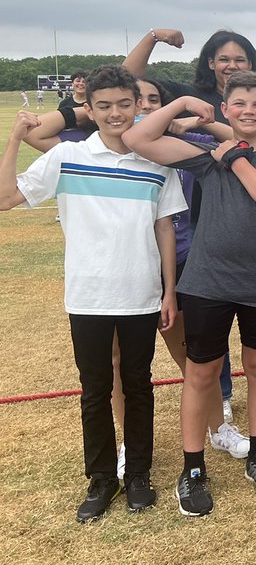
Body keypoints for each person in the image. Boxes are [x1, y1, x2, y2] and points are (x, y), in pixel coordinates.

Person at [0, 65, 187, 521]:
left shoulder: (155, 162)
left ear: (139, 105)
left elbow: (165, 228)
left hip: (142, 293)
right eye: (104, 106)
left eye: (125, 104)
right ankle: (102, 479)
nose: (116, 113)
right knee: (95, 389)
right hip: (87, 295)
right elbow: (6, 198)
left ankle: (139, 474)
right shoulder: (67, 157)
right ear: (90, 108)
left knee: (140, 386)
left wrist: (169, 292)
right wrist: (13, 139)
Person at [125, 70, 256, 516]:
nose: (249, 111)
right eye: (238, 104)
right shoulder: (206, 158)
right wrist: (183, 102)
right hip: (207, 281)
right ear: (225, 110)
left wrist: (237, 157)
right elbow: (139, 139)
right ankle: (193, 469)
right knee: (201, 373)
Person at [123, 27, 256, 422]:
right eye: (224, 59)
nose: (232, 65)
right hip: (211, 222)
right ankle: (218, 402)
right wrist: (184, 104)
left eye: (240, 59)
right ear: (210, 66)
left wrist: (227, 148)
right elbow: (137, 131)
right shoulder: (201, 128)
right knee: (207, 339)